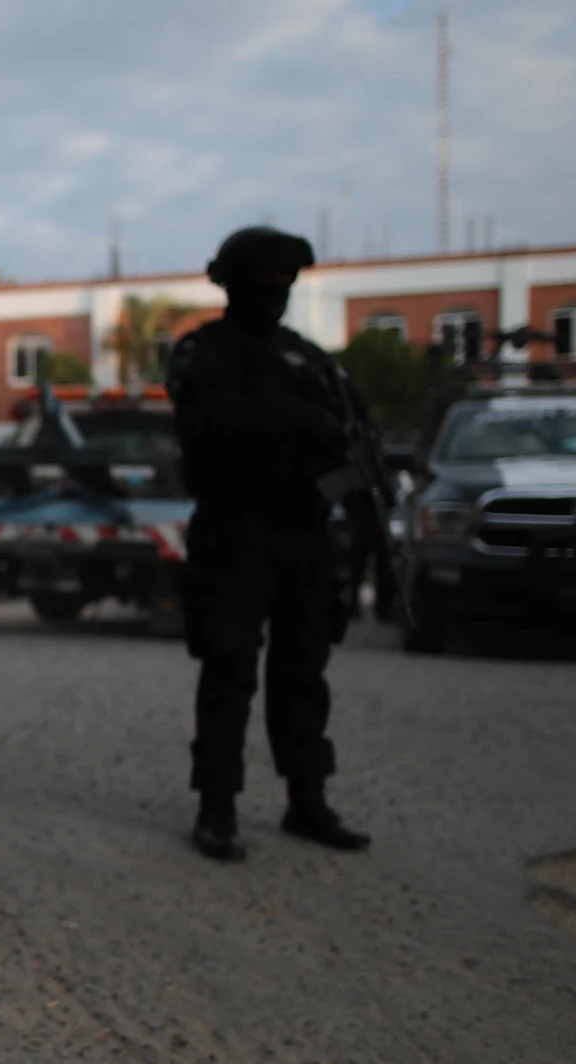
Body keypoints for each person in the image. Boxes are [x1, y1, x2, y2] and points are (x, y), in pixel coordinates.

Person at [166, 226, 372, 862]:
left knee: (302, 673)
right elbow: (210, 422)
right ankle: (217, 806)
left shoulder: (310, 362)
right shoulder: (203, 353)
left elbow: (356, 442)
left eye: (285, 286)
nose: (274, 298)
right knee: (229, 671)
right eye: (264, 286)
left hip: (304, 534)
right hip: (234, 532)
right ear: (230, 285)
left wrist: (347, 499)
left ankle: (307, 799)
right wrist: (300, 423)